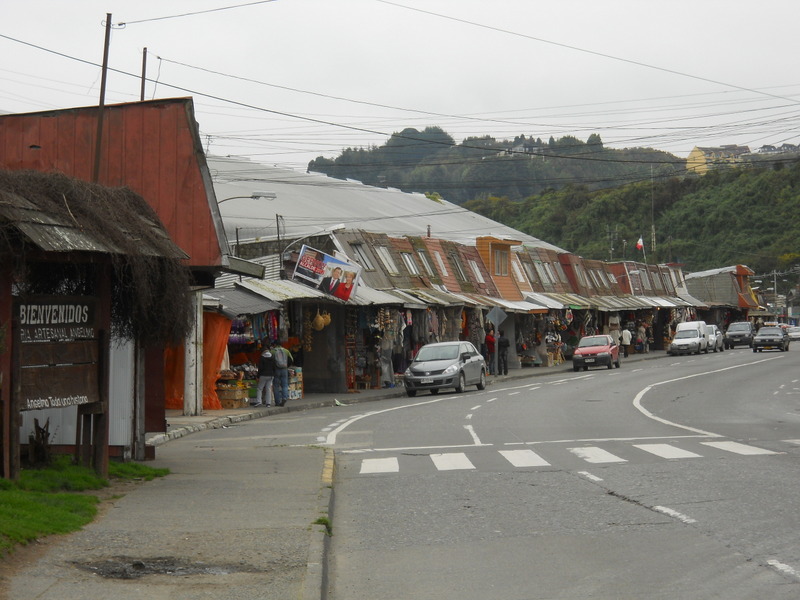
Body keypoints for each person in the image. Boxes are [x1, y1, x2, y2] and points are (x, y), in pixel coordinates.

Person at [271, 340, 294, 407]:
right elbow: (291, 359)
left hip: (276, 370)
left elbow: (270, 360)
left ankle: (277, 402)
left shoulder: (273, 351)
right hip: (284, 369)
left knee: (276, 386)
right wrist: (287, 365)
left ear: (275, 344)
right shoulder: (286, 351)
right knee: (285, 385)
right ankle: (284, 398)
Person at [252, 341, 275, 407]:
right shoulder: (272, 357)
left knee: (260, 388)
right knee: (268, 389)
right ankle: (268, 403)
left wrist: (258, 376)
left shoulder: (262, 358)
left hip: (263, 375)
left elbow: (260, 368)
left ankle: (259, 401)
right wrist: (273, 374)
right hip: (271, 375)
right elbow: (274, 367)